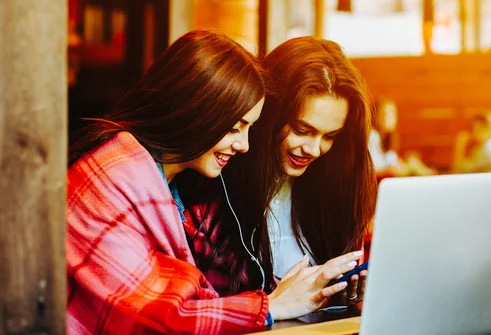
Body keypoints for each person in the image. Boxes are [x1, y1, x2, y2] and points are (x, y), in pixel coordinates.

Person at [67, 30, 361, 334]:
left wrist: (312, 292)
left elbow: (201, 299)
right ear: (196, 111)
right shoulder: (112, 177)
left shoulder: (174, 186)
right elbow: (154, 313)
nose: (245, 145)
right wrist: (271, 305)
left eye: (330, 137)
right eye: (235, 128)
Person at [218, 37, 378, 305]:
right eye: (302, 130)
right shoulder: (220, 182)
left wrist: (343, 296)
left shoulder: (335, 185)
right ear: (269, 114)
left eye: (330, 136)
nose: (314, 150)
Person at [369, 98, 435, 177]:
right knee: (412, 164)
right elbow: (373, 168)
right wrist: (391, 169)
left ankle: (428, 174)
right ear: (377, 115)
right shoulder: (372, 136)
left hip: (390, 175)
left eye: (394, 114)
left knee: (412, 160)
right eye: (387, 114)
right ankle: (429, 175)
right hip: (383, 178)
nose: (392, 118)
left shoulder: (387, 138)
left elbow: (393, 160)